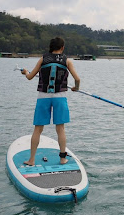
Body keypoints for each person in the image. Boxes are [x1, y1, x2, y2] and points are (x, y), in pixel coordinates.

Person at [21, 37, 80, 165]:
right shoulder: (67, 61)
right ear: (62, 47)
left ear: (51, 47)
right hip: (60, 96)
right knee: (60, 129)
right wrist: (76, 88)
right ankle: (63, 158)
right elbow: (77, 79)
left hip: (43, 96)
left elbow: (30, 77)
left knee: (38, 129)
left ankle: (31, 160)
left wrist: (25, 72)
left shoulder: (43, 59)